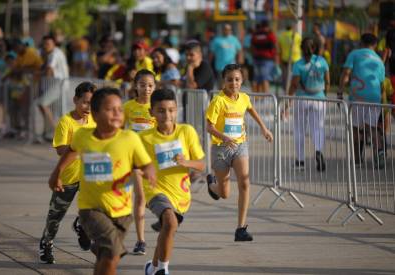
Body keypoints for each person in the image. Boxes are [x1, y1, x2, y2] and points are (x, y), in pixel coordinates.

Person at [48, 87, 156, 275]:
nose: (117, 114)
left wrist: (149, 172)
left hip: (121, 212)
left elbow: (145, 163)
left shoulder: (129, 138)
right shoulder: (83, 136)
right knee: (112, 251)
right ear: (95, 114)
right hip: (91, 209)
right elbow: (70, 151)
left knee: (107, 258)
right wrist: (56, 173)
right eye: (110, 109)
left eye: (119, 109)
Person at [205, 64, 273, 241]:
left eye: (237, 79)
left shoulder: (244, 98)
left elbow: (251, 110)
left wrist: (264, 128)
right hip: (221, 148)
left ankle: (240, 229)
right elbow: (209, 127)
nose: (233, 83)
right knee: (224, 193)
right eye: (229, 80)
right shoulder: (218, 101)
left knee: (244, 181)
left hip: (240, 145)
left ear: (242, 81)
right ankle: (212, 185)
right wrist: (224, 136)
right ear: (224, 81)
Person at [141, 88, 205, 275]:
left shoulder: (187, 131)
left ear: (177, 109)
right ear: (151, 112)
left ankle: (152, 268)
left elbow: (201, 164)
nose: (166, 115)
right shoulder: (143, 138)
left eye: (171, 110)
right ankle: (163, 270)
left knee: (167, 230)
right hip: (154, 190)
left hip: (180, 193)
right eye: (161, 110)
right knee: (169, 222)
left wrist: (187, 162)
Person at [39, 82, 97, 264]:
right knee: (55, 216)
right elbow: (60, 149)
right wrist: (78, 149)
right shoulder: (66, 122)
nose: (88, 107)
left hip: (90, 177)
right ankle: (47, 242)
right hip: (67, 178)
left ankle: (81, 225)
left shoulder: (95, 121)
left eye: (92, 103)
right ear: (75, 100)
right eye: (85, 102)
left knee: (93, 212)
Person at [281, 38, 330, 172]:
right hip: (319, 99)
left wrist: (286, 105)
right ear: (314, 48)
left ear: (301, 49)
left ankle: (300, 161)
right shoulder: (322, 61)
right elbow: (327, 81)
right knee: (318, 128)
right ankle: (319, 151)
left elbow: (294, 84)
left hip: (302, 100)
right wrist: (324, 95)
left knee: (299, 130)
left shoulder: (298, 64)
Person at [339, 33, 386, 169]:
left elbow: (346, 73)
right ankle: (380, 153)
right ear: (375, 45)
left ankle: (358, 159)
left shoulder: (354, 54)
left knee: (355, 127)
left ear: (361, 42)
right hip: (375, 97)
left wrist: (340, 92)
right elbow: (382, 83)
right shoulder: (378, 60)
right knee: (372, 128)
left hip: (358, 96)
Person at [123, 69, 157, 256]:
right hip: (135, 160)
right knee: (141, 198)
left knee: (157, 196)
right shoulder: (128, 107)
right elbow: (118, 130)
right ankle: (141, 241)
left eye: (150, 85)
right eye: (142, 85)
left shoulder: (158, 106)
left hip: (155, 160)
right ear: (135, 86)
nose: (146, 88)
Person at [38, 35, 70, 141]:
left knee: (42, 103)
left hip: (58, 84)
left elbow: (49, 69)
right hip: (59, 84)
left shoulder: (54, 54)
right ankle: (49, 132)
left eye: (48, 44)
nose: (46, 46)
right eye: (44, 44)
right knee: (57, 111)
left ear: (54, 44)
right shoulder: (52, 53)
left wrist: (43, 79)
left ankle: (55, 131)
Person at [251, 20, 278, 93]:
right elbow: (274, 47)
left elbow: (252, 46)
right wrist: (276, 60)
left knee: (256, 79)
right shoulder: (269, 34)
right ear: (267, 27)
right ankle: (265, 97)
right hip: (267, 60)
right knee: (265, 79)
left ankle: (256, 98)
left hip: (256, 59)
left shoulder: (255, 34)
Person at [278, 24, 302, 93]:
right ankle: (294, 91)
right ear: (292, 28)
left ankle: (286, 91)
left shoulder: (282, 36)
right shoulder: (297, 36)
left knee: (286, 78)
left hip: (285, 59)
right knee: (296, 77)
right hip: (296, 59)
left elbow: (280, 49)